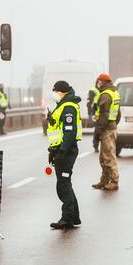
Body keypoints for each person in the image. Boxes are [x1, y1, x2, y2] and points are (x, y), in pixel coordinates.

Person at [46, 80, 82, 229]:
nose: (54, 94)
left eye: (55, 91)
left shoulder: (68, 107)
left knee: (63, 185)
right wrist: (53, 150)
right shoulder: (62, 106)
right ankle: (74, 217)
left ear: (62, 92)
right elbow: (59, 130)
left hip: (66, 151)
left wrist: (62, 152)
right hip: (61, 150)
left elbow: (69, 132)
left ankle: (67, 219)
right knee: (66, 183)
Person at [92, 73, 121, 191]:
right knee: (104, 157)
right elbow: (118, 113)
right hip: (111, 128)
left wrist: (98, 131)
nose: (98, 84)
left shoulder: (105, 95)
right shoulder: (114, 93)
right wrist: (113, 124)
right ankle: (104, 181)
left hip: (106, 129)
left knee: (108, 157)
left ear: (103, 82)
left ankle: (114, 182)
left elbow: (104, 116)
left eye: (99, 82)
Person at [87, 85, 100, 152]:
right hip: (96, 114)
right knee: (97, 131)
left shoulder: (104, 90)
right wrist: (90, 113)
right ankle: (96, 146)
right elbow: (89, 103)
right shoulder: (93, 91)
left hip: (103, 114)